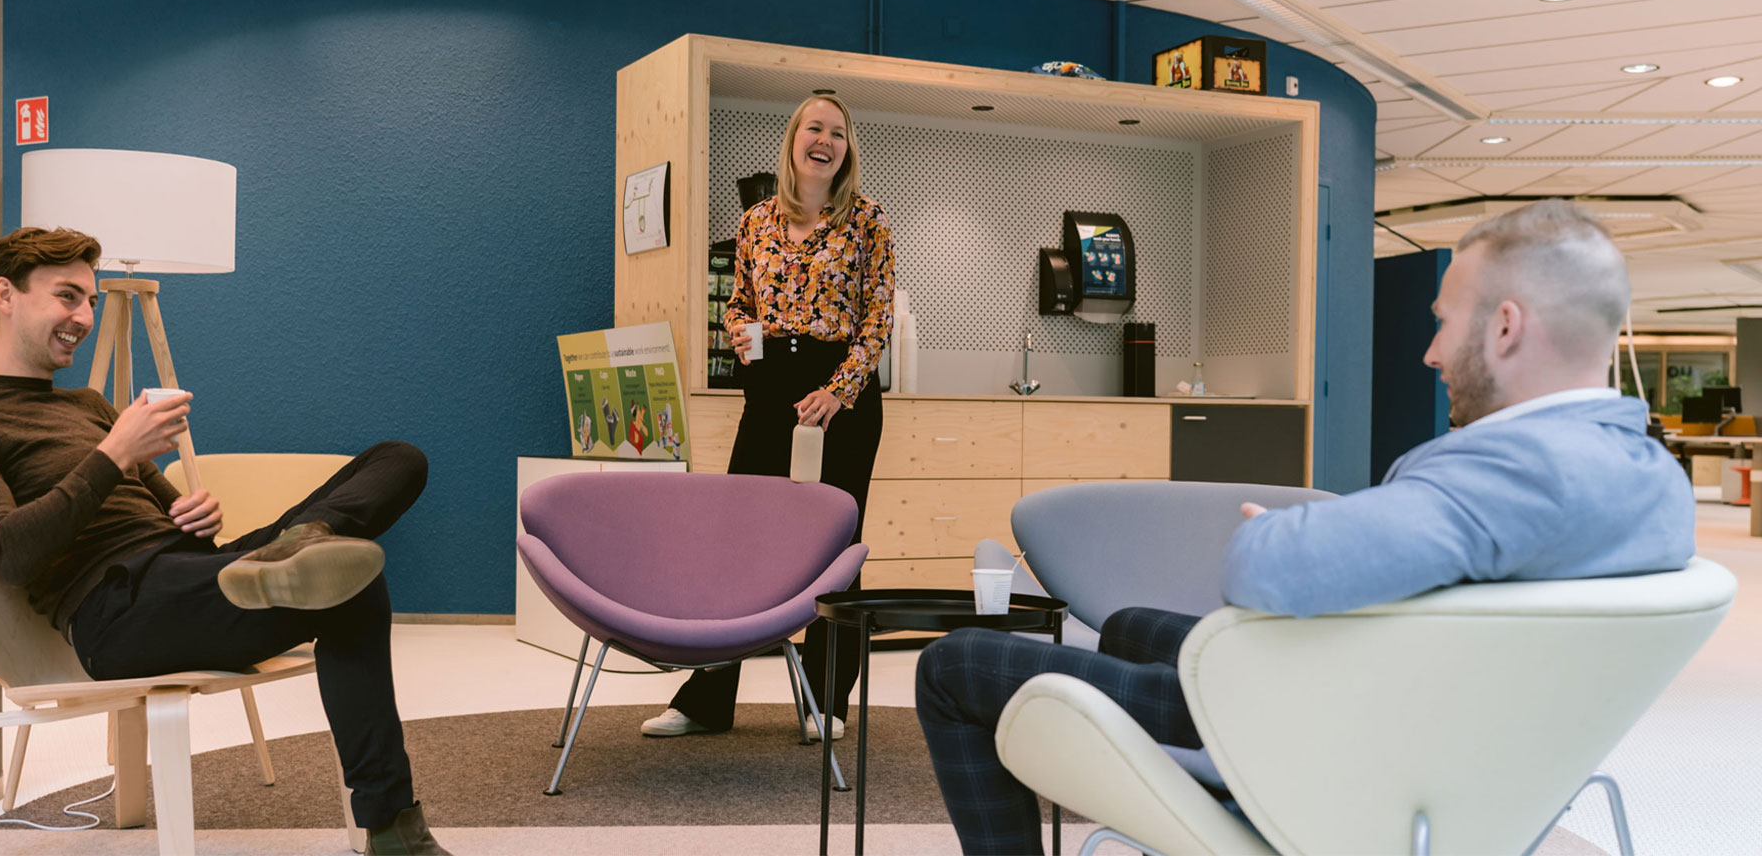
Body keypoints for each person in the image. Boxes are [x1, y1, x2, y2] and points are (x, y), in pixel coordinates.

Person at [915, 199, 1695, 854]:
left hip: (1331, 745)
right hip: (1440, 726)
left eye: (1443, 322)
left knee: (953, 667)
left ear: (1505, 328)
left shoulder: (1505, 475)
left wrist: (1267, 536)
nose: (1428, 352)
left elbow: (1260, 573)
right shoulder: (1656, 484)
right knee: (1128, 625)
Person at [0, 227, 449, 856]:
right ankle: (393, 831)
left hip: (196, 573)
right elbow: (6, 552)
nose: (83, 317)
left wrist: (191, 513)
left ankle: (302, 544)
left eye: (89, 300)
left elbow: (165, 515)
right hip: (115, 610)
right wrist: (114, 452)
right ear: (5, 294)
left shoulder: (88, 405)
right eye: (67, 297)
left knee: (398, 458)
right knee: (353, 585)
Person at [642, 94, 896, 740]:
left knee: (835, 547)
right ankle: (707, 699)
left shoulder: (869, 221)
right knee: (738, 540)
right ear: (793, 139)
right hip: (771, 386)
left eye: (838, 132)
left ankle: (823, 702)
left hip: (842, 395)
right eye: (815, 127)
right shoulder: (756, 221)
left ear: (847, 149)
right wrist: (755, 363)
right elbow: (739, 308)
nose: (826, 139)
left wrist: (838, 389)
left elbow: (878, 317)